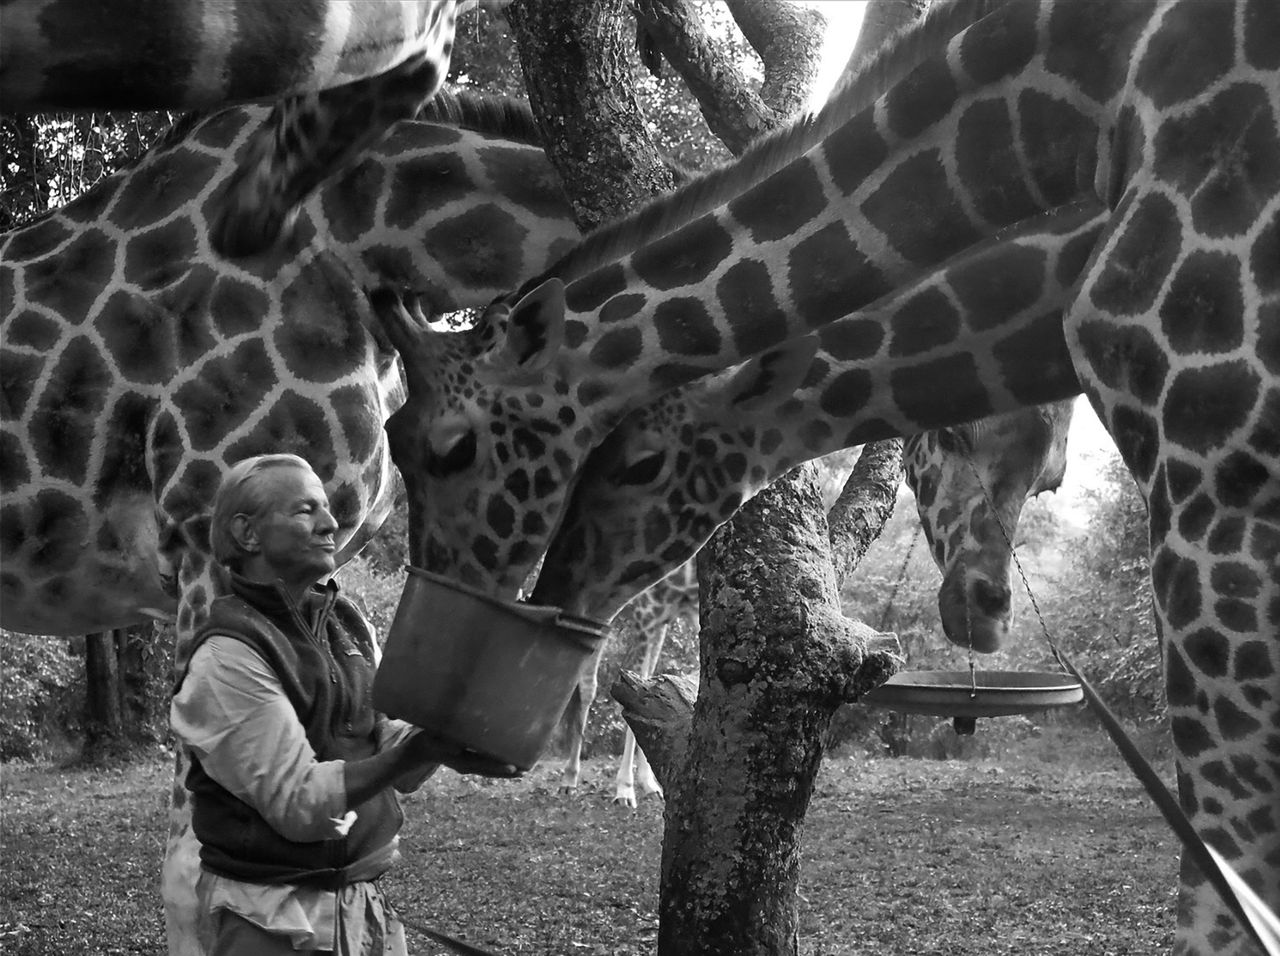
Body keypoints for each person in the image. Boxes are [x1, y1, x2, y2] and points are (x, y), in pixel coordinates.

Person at [171, 453, 517, 955]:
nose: (331, 523)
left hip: (360, 905)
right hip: (268, 919)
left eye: (326, 508)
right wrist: (417, 751)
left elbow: (390, 746)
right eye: (305, 510)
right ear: (248, 535)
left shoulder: (344, 623)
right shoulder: (227, 656)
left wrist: (451, 738)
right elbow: (300, 803)